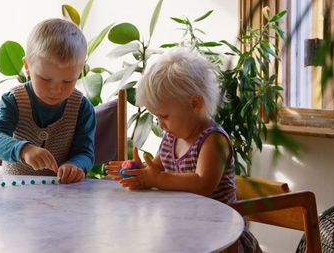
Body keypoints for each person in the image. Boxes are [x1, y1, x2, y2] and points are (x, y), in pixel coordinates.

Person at [106, 47, 262, 252]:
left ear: (195, 103)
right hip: (184, 231)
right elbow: (156, 169)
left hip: (221, 237)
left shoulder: (214, 140)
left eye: (165, 116)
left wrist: (155, 179)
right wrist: (137, 173)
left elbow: (202, 183)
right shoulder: (171, 138)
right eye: (157, 117)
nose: (161, 125)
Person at [0, 18, 95, 184]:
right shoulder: (13, 100)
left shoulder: (82, 108)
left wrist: (75, 165)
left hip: (61, 196)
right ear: (27, 66)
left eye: (68, 81)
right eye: (45, 79)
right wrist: (23, 149)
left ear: (80, 72)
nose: (56, 89)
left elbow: (85, 152)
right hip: (14, 192)